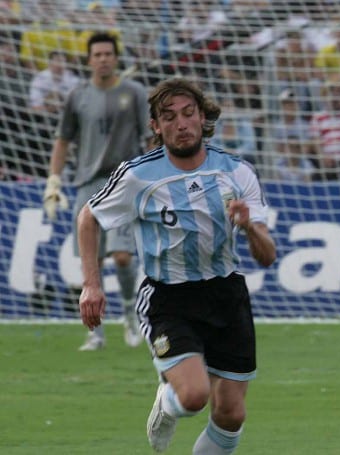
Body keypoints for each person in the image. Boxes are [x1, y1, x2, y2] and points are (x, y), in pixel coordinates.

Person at [76, 77, 277, 453]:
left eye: (188, 114)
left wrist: (248, 225)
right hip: (168, 298)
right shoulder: (138, 176)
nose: (180, 124)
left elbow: (267, 255)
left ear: (203, 119)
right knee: (194, 395)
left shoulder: (237, 172)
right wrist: (92, 284)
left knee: (231, 413)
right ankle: (166, 404)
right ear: (155, 126)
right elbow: (88, 217)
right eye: (169, 117)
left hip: (226, 294)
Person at [43, 32, 150, 351]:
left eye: (108, 53)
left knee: (120, 257)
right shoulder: (77, 96)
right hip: (87, 184)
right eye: (97, 54)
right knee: (91, 262)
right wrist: (54, 180)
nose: (103, 59)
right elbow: (63, 140)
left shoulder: (134, 93)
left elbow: (150, 137)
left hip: (123, 182)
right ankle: (96, 331)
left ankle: (130, 313)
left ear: (116, 58)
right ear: (89, 60)